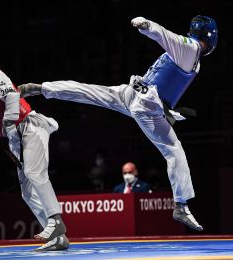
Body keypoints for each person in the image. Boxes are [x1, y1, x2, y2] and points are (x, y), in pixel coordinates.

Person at [18, 15, 218, 232]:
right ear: (211, 37)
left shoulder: (192, 59)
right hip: (145, 107)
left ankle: (40, 88)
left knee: (89, 91)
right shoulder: (191, 49)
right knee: (174, 151)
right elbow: (166, 37)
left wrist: (169, 110)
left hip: (133, 93)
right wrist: (147, 26)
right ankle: (181, 204)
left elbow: (165, 81)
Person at [0, 44, 69, 251]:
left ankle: (55, 220)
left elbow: (10, 98)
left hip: (29, 125)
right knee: (27, 192)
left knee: (34, 172)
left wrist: (8, 123)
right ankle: (58, 239)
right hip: (14, 138)